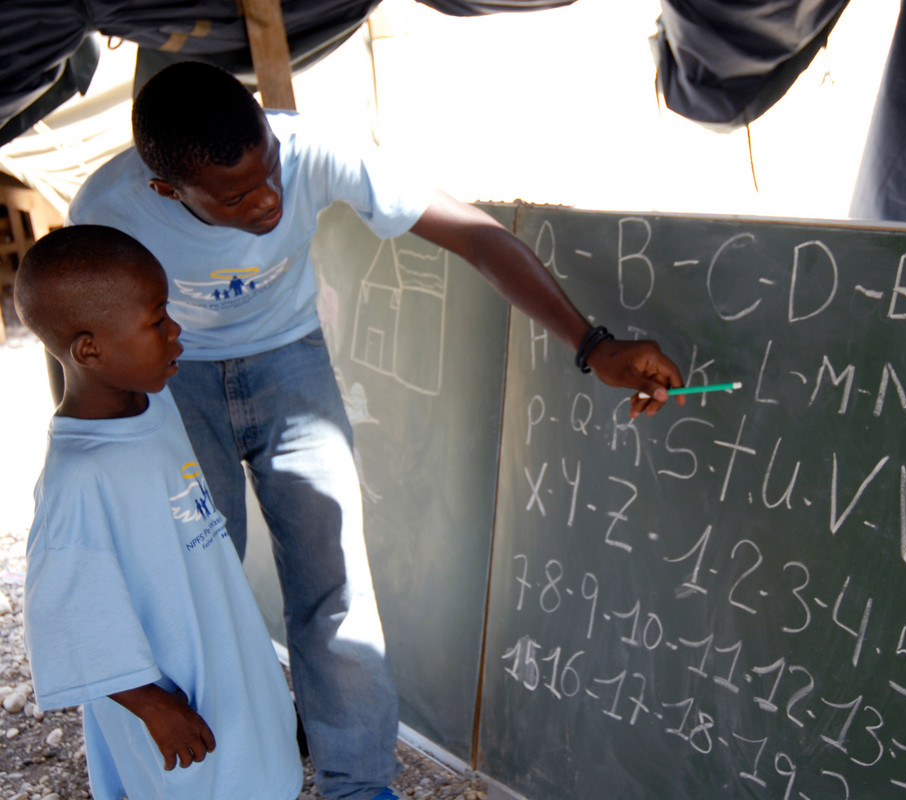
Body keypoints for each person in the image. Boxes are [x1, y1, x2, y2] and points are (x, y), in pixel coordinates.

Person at [67, 60, 684, 800]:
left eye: (270, 174)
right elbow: (84, 342)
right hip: (174, 378)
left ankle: (357, 785)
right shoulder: (107, 209)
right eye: (235, 197)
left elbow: (476, 236)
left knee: (335, 586)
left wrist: (592, 345)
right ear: (167, 190)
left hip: (287, 359)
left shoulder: (309, 150)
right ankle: (227, 777)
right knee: (202, 582)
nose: (268, 201)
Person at [14, 225, 303, 800]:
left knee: (258, 768)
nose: (175, 332)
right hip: (177, 704)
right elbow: (68, 614)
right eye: (156, 321)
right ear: (89, 350)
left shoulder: (155, 403)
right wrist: (151, 705)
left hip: (222, 659)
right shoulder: (79, 479)